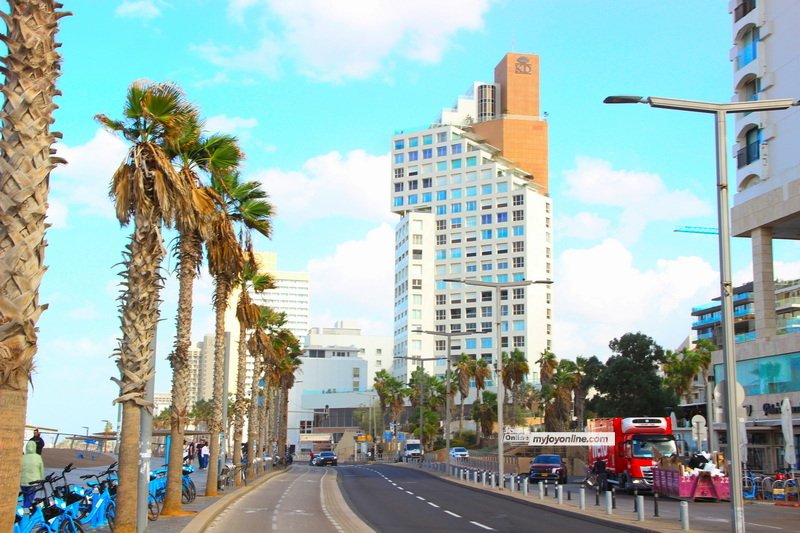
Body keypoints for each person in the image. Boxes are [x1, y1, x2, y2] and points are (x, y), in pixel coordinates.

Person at [20, 440, 44, 508]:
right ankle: (26, 512)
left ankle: (25, 510)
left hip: (23, 482)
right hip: (34, 482)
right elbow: (41, 470)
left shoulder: (22, 457)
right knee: (30, 499)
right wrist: (42, 481)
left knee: (25, 497)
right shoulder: (38, 457)